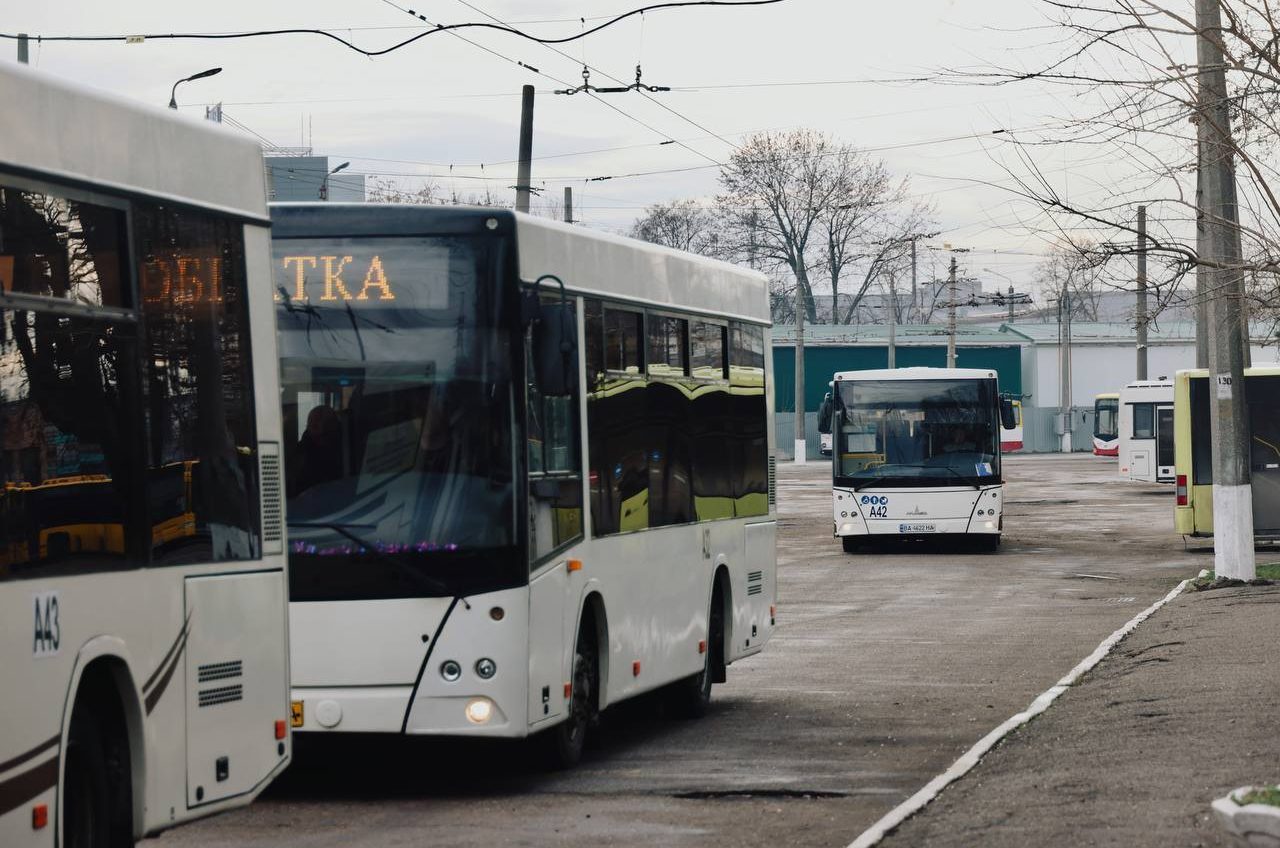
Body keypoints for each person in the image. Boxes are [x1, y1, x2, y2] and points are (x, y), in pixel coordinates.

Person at [293, 404, 343, 494]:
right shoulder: (301, 451)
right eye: (310, 424)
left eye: (317, 424)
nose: (312, 427)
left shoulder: (346, 448)